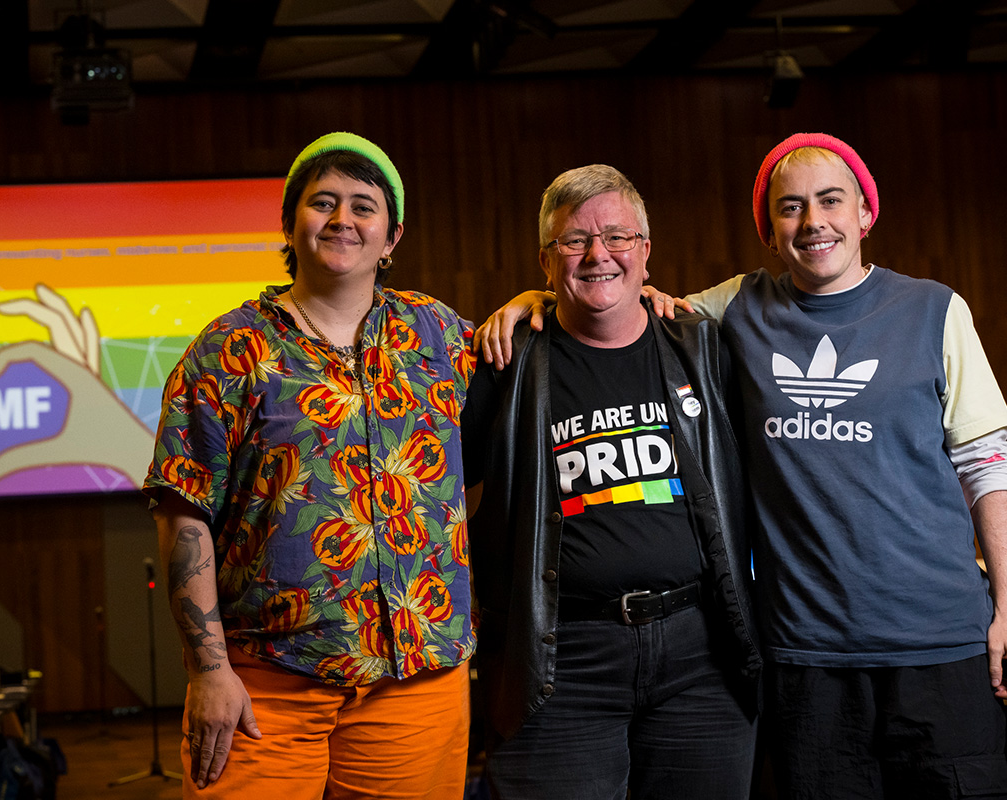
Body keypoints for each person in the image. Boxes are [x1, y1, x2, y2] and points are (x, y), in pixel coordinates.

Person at [479, 133, 1007, 799]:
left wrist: (1006, 609)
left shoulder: (935, 309)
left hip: (941, 643)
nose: (813, 222)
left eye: (830, 200)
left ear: (866, 212)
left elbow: (986, 463)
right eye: (790, 207)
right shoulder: (734, 309)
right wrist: (534, 299)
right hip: (802, 651)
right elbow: (610, 292)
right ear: (768, 228)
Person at [144, 132, 476, 799]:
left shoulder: (440, 335)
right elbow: (184, 512)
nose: (342, 219)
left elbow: (545, 348)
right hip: (265, 679)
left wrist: (534, 303)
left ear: (392, 236)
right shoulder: (228, 349)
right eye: (323, 202)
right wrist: (208, 671)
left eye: (363, 205)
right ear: (289, 224)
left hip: (414, 680)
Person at [461, 164, 762, 800]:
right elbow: (431, 495)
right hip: (558, 661)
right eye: (574, 242)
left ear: (646, 253)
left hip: (700, 658)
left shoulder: (703, 350)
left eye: (618, 237)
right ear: (547, 263)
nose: (599, 254)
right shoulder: (505, 366)